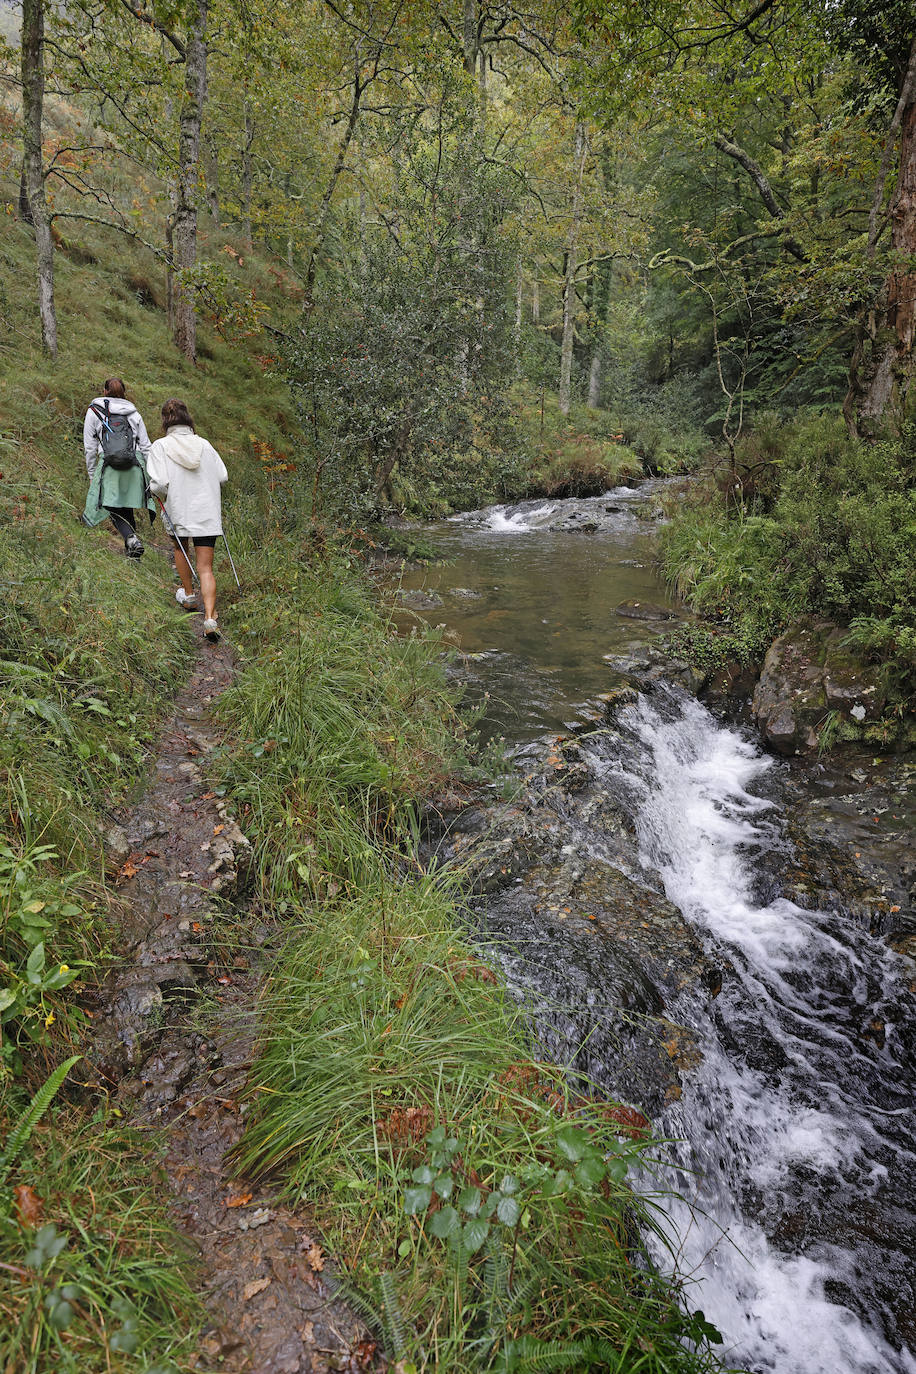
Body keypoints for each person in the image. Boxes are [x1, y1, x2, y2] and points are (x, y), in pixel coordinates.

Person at [147, 398, 228, 642]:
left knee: (179, 548)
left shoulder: (160, 447)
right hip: (206, 510)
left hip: (179, 509)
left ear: (165, 421)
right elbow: (222, 476)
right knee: (206, 567)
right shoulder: (204, 445)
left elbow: (160, 483)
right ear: (188, 419)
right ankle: (210, 618)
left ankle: (190, 595)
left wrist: (156, 492)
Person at [82, 377, 155, 557]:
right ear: (124, 392)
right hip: (134, 464)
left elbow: (90, 448)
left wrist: (92, 473)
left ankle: (131, 538)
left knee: (111, 505)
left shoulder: (94, 411)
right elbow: (146, 446)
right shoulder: (133, 413)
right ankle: (133, 552)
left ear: (104, 391)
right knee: (125, 505)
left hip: (108, 464)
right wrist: (153, 472)